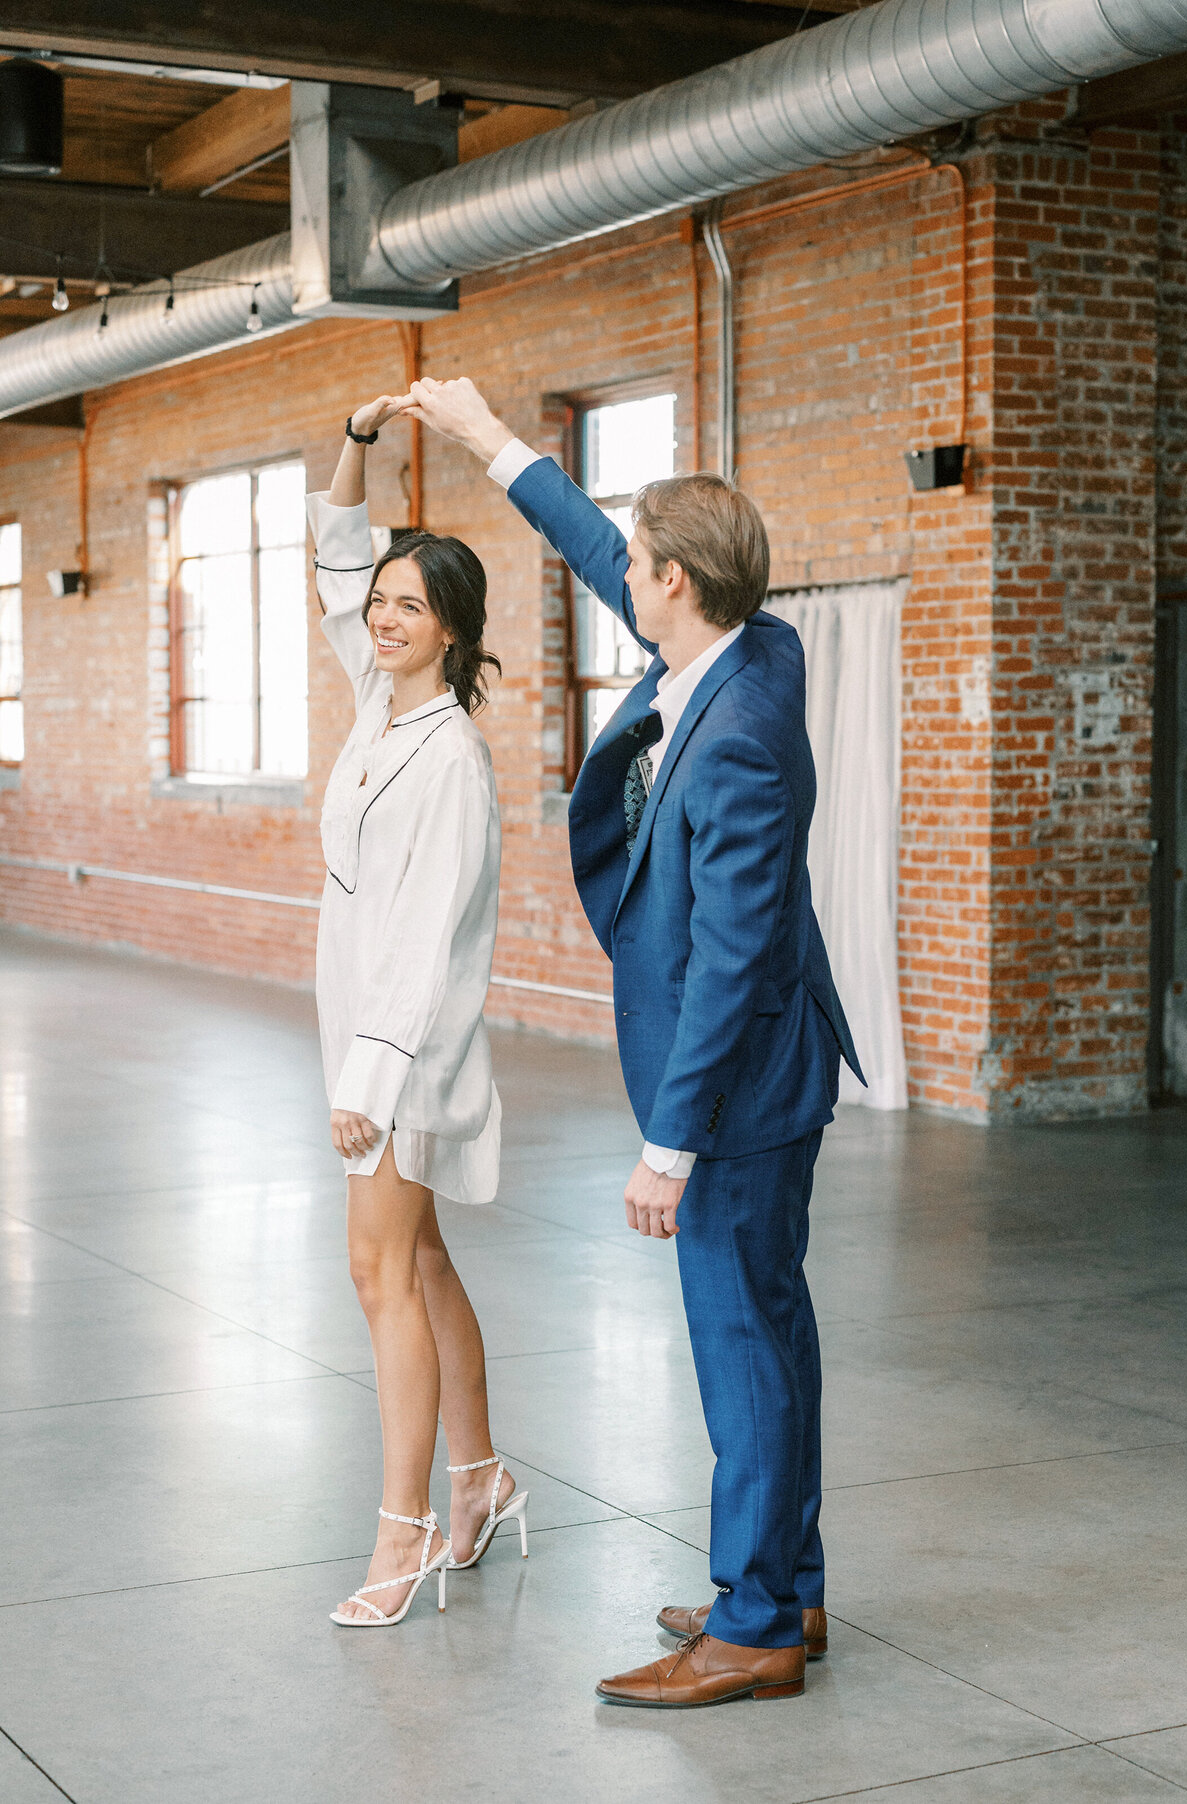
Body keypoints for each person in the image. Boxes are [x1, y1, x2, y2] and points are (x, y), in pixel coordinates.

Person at [398, 375, 863, 1704]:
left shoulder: (739, 745)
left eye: (639, 572)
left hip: (743, 1089)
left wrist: (671, 1140)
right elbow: (605, 549)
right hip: (764, 1072)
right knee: (771, 1325)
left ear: (676, 586)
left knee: (742, 1342)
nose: (627, 583)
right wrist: (491, 441)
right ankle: (791, 1585)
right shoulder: (743, 643)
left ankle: (760, 1623)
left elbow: (738, 950)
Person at [310, 394, 528, 1629]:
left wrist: (368, 1080)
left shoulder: (448, 754)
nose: (382, 617)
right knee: (425, 1256)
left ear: (451, 630)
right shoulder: (377, 704)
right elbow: (339, 545)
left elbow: (425, 936)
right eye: (380, 602)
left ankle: (401, 1538)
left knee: (376, 1266)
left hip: (402, 1053)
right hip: (362, 1038)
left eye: (407, 605)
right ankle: (483, 1473)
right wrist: (359, 435)